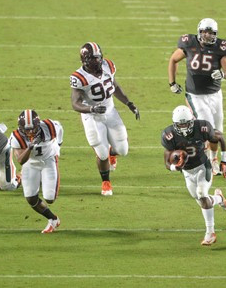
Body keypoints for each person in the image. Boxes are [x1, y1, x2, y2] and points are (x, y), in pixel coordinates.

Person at [70, 42, 140, 196]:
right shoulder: (79, 77)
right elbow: (75, 104)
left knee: (123, 149)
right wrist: (91, 108)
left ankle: (112, 153)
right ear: (85, 60)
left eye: (99, 57)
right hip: (92, 116)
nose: (98, 61)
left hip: (110, 111)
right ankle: (106, 182)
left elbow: (115, 86)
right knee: (101, 154)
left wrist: (129, 103)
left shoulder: (108, 65)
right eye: (94, 59)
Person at [168, 18, 226, 175]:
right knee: (209, 129)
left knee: (217, 130)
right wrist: (172, 83)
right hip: (195, 95)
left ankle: (213, 159)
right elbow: (173, 59)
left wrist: (223, 74)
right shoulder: (189, 43)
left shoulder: (221, 47)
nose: (207, 36)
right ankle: (203, 159)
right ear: (199, 31)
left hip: (215, 94)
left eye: (211, 33)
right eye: (205, 32)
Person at [161, 105, 226, 246]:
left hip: (202, 167)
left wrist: (224, 162)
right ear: (175, 125)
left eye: (186, 123)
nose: (184, 127)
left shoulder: (202, 127)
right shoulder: (169, 135)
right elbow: (167, 163)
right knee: (202, 201)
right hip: (187, 172)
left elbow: (220, 137)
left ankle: (210, 233)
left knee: (202, 194)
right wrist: (176, 167)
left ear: (192, 120)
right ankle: (219, 198)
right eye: (181, 124)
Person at [10, 110, 63, 234]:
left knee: (50, 198)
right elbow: (21, 160)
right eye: (26, 129)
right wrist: (30, 147)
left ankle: (41, 180)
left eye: (32, 129)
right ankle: (53, 219)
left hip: (48, 160)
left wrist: (58, 145)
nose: (30, 132)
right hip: (30, 164)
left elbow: (60, 128)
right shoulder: (16, 137)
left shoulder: (49, 126)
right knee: (31, 198)